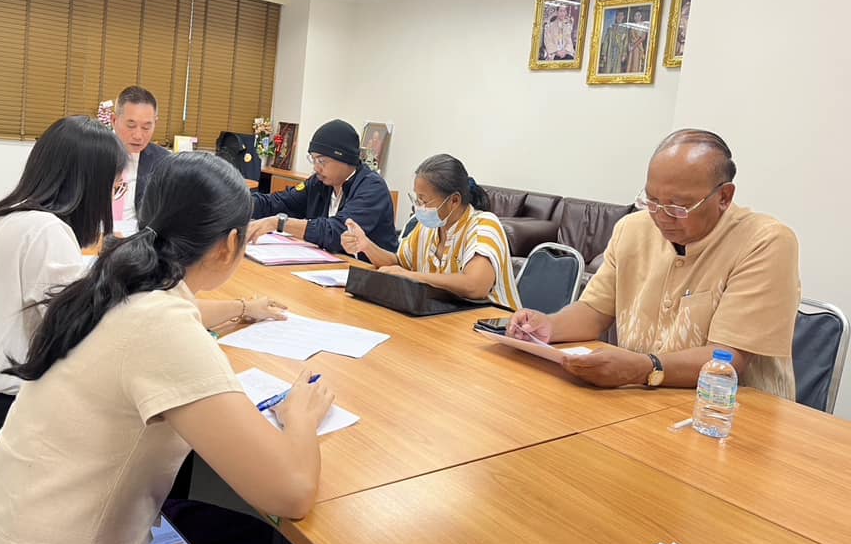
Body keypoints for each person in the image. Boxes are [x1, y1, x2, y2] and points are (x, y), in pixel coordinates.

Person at [0, 152, 334, 544]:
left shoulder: (113, 283)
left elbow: (164, 323)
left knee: (234, 531)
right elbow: (290, 494)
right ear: (230, 245)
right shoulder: (162, 329)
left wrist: (241, 307)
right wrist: (300, 418)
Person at [506, 129, 800, 399]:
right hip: (640, 398)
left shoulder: (765, 242)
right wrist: (548, 326)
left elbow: (728, 357)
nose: (660, 216)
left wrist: (643, 368)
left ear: (724, 196)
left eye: (678, 206)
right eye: (651, 201)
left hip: (729, 412)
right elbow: (593, 312)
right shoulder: (632, 229)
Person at [342, 154, 520, 310]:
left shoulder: (483, 226)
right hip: (445, 318)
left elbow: (475, 285)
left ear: (454, 200)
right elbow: (399, 264)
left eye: (424, 200)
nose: (419, 207)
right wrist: (366, 245)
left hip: (489, 325)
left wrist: (412, 277)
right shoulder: (426, 227)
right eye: (417, 199)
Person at [248, 119, 398, 254]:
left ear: (345, 159)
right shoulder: (319, 182)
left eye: (322, 161)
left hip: (366, 275)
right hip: (327, 267)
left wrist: (279, 223)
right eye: (313, 160)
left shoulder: (372, 188)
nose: (316, 168)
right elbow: (281, 202)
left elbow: (336, 233)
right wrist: (239, 203)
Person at [112, 85, 170, 229]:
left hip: (138, 243)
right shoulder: (92, 152)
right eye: (131, 125)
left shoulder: (163, 162)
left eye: (146, 127)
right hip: (93, 240)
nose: (138, 136)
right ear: (114, 120)